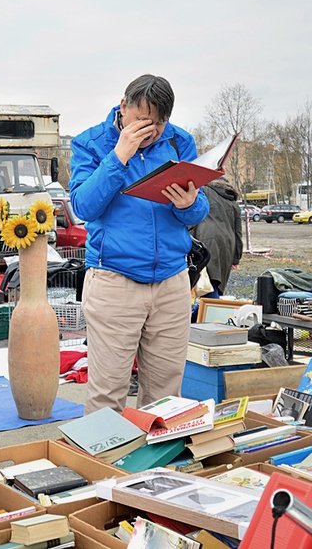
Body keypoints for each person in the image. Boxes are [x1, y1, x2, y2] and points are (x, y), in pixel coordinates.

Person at [70, 74, 209, 413]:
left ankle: (155, 462)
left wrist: (188, 204)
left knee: (166, 393)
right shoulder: (90, 143)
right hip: (114, 279)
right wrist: (118, 156)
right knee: (107, 392)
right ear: (123, 107)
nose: (150, 132)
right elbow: (83, 206)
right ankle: (104, 464)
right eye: (141, 122)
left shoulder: (179, 143)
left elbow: (199, 211)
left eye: (158, 125)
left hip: (172, 282)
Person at [191, 177, 243, 295]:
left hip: (205, 238)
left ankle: (208, 310)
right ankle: (213, 307)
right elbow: (238, 232)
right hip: (228, 243)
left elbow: (193, 215)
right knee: (214, 283)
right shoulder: (232, 201)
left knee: (204, 282)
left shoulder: (203, 190)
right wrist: (236, 258)